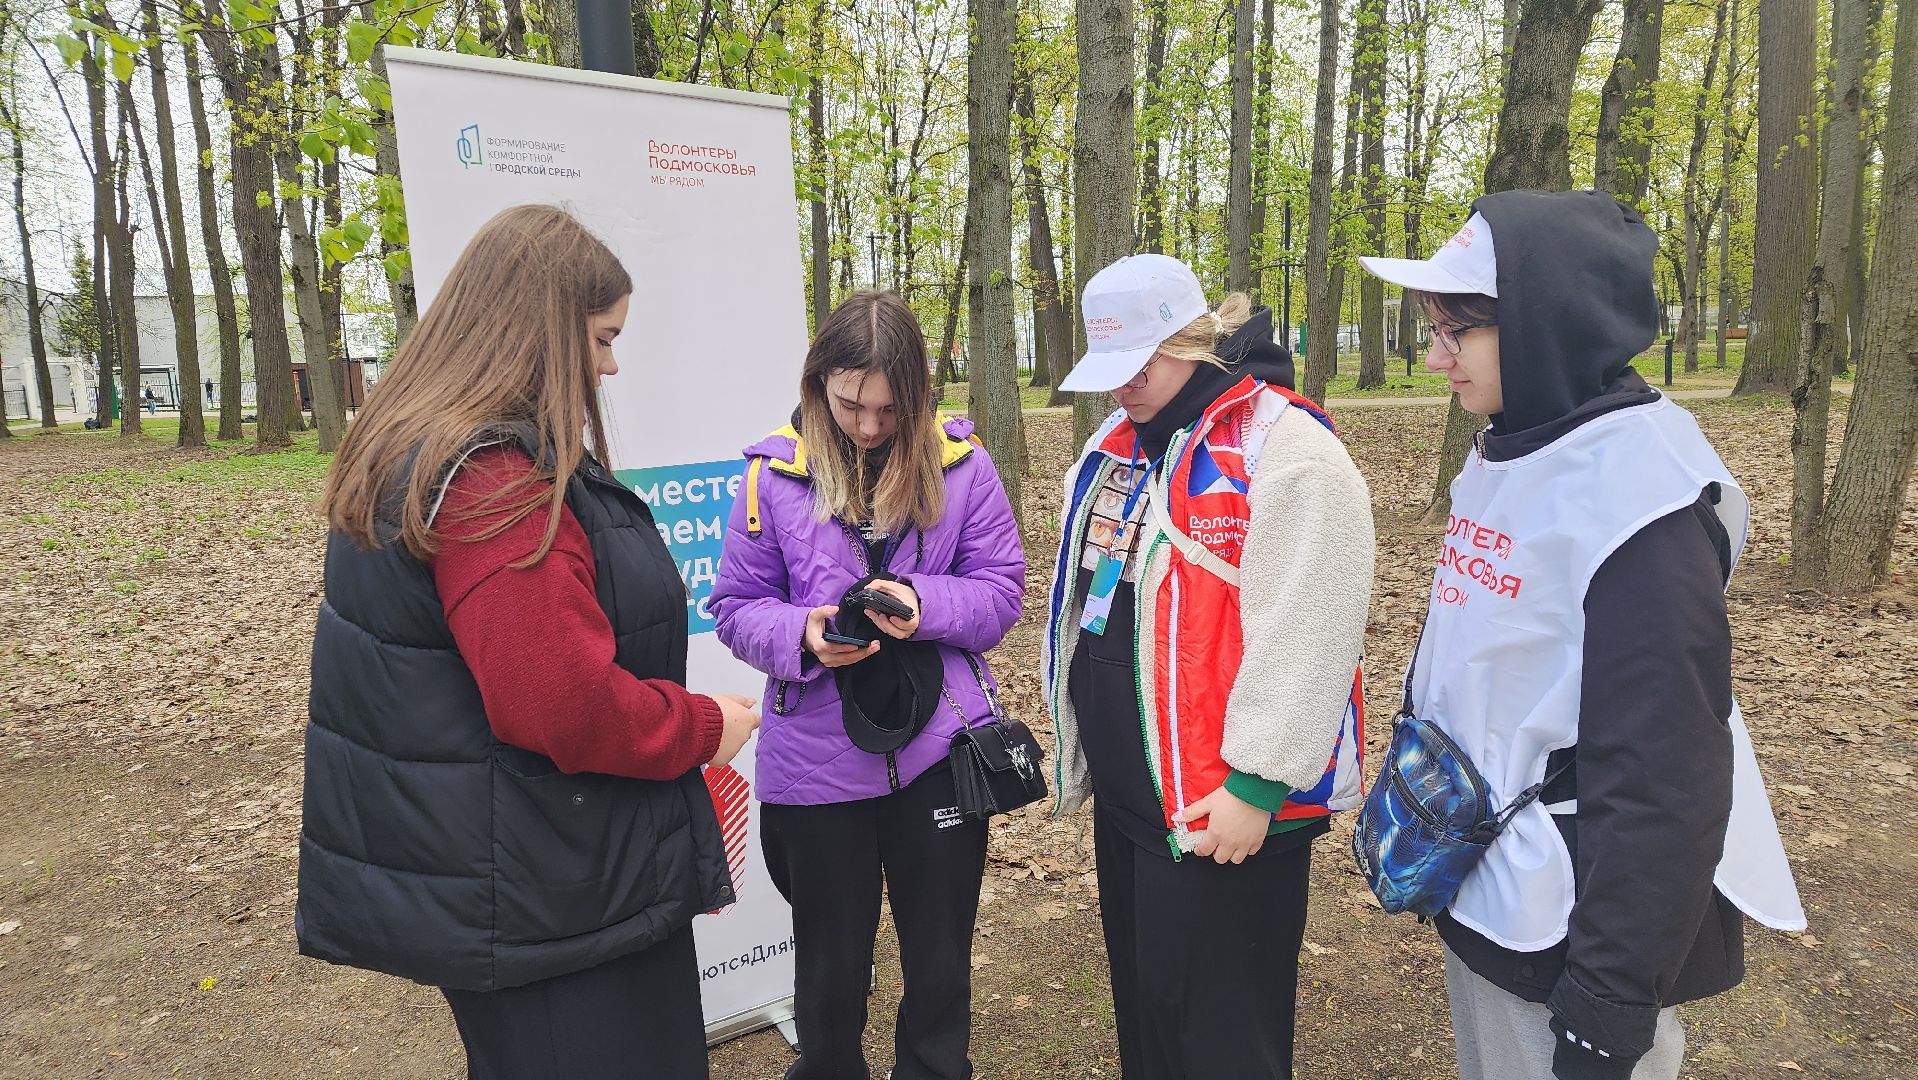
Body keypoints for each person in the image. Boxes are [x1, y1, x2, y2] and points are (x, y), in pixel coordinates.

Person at [298, 204, 759, 1080]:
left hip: (528, 874)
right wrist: (705, 728)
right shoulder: (488, 478)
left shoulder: (437, 449)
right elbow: (560, 702)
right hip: (552, 893)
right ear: (541, 328)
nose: (611, 364)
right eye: (601, 336)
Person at [1357, 190, 1805, 1080]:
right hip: (1488, 878)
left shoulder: (1641, 502)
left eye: (1459, 333)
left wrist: (1611, 994)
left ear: (1543, 325)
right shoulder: (1513, 441)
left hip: (1571, 921)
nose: (1437, 360)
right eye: (1433, 330)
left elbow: (1666, 770)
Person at [1042, 254, 1374, 1079]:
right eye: (1110, 370)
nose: (1124, 386)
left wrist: (1257, 784)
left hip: (1226, 812)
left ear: (1193, 339)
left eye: (1141, 365)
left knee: (1224, 1038)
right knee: (1153, 1017)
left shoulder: (1283, 446)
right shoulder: (1118, 443)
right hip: (1135, 805)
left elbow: (1314, 620)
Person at [710, 290, 1024, 1080]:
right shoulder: (768, 478)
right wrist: (804, 636)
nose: (870, 426)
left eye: (890, 408)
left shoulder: (963, 465)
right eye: (851, 404)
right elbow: (736, 610)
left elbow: (1000, 591)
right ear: (818, 383)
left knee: (941, 962)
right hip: (814, 768)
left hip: (936, 753)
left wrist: (928, 606)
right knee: (828, 974)